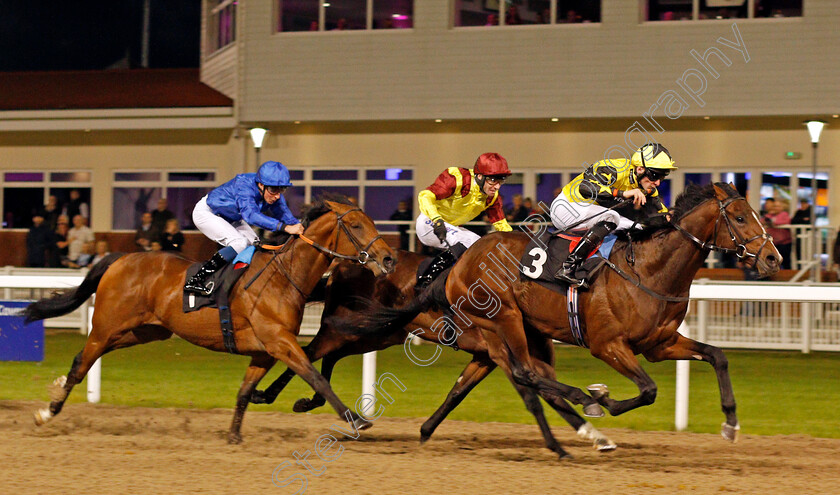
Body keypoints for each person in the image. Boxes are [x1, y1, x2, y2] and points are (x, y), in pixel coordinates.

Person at [550, 143, 675, 287]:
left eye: (662, 177)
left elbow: (663, 214)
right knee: (612, 217)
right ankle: (568, 267)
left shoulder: (648, 187)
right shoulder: (613, 168)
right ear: (640, 169)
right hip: (566, 208)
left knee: (637, 227)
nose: (658, 182)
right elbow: (584, 188)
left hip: (586, 212)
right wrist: (623, 193)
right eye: (655, 175)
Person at [185, 161, 304, 295]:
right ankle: (196, 280)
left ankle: (240, 282)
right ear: (261, 185)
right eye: (273, 190)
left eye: (281, 189)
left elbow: (285, 215)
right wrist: (284, 228)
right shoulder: (244, 186)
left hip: (231, 217)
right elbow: (251, 216)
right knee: (239, 243)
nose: (277, 195)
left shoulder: (273, 195)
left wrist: (300, 227)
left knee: (256, 244)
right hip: (207, 212)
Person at [415, 152, 513, 287]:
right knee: (471, 245)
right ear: (479, 176)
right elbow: (425, 195)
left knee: (482, 245)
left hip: (451, 226)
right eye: (492, 180)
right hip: (429, 223)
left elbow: (501, 224)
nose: (497, 186)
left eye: (500, 180)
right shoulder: (457, 178)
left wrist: (515, 241)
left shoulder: (492, 197)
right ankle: (426, 282)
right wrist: (437, 220)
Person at [763, 199, 792, 270]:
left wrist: (774, 224)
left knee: (785, 260)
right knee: (771, 259)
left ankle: (786, 274)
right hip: (772, 242)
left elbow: (786, 221)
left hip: (784, 242)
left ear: (782, 207)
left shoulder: (784, 214)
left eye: (778, 206)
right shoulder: (768, 215)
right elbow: (762, 221)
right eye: (774, 206)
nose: (776, 208)